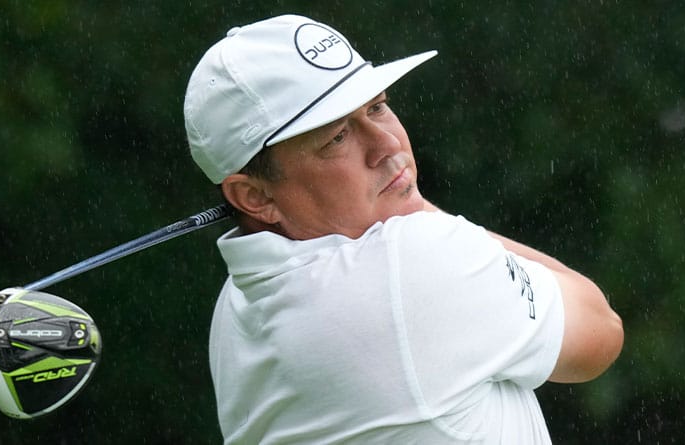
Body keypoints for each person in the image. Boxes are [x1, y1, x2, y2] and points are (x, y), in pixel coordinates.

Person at [183, 14, 623, 444]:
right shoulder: (414, 261)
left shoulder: (234, 311)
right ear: (255, 197)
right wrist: (418, 209)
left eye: (377, 107)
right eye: (336, 137)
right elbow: (600, 333)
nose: (387, 143)